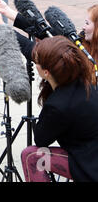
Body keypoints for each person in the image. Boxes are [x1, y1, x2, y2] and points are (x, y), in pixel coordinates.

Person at [21, 36, 98, 182]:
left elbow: (41, 139)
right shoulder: (84, 82)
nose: (34, 64)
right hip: (92, 152)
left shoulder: (58, 105)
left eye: (36, 62)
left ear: (46, 73)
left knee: (30, 155)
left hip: (90, 166)